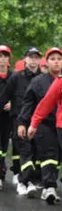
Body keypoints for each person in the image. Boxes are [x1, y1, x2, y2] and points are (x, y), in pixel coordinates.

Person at [22, 47, 62, 204]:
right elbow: (29, 103)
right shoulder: (38, 82)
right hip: (46, 124)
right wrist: (24, 123)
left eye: (58, 59)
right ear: (47, 62)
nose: (56, 62)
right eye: (52, 59)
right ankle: (49, 187)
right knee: (49, 156)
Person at [2, 47, 41, 194]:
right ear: (25, 59)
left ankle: (26, 180)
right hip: (19, 121)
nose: (33, 60)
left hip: (38, 122)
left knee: (36, 152)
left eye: (36, 57)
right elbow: (4, 97)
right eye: (31, 57)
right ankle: (26, 181)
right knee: (26, 151)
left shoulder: (43, 77)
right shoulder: (16, 78)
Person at [0, 45, 11, 189]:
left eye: (5, 56)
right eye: (0, 56)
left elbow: (20, 94)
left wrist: (13, 104)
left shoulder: (13, 77)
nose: (2, 59)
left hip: (8, 117)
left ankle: (2, 169)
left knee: (3, 146)